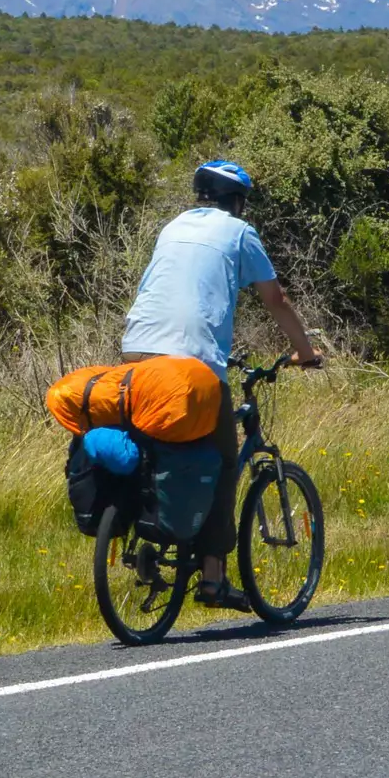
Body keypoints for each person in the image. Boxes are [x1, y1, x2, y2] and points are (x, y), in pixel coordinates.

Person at [121, 159, 322, 611]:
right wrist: (305, 353)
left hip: (136, 352)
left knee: (153, 449)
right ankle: (212, 578)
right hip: (192, 362)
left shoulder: (172, 227)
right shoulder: (238, 232)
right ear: (237, 201)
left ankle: (146, 537)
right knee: (224, 461)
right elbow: (276, 299)